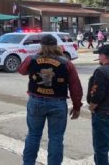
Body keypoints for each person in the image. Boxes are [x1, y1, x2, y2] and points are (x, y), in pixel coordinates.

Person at [18, 34, 83, 165]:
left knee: (33, 135)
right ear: (56, 46)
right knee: (56, 138)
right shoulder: (66, 63)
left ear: (41, 46)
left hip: (36, 100)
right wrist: (77, 106)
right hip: (57, 103)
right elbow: (75, 87)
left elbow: (21, 70)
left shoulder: (32, 59)